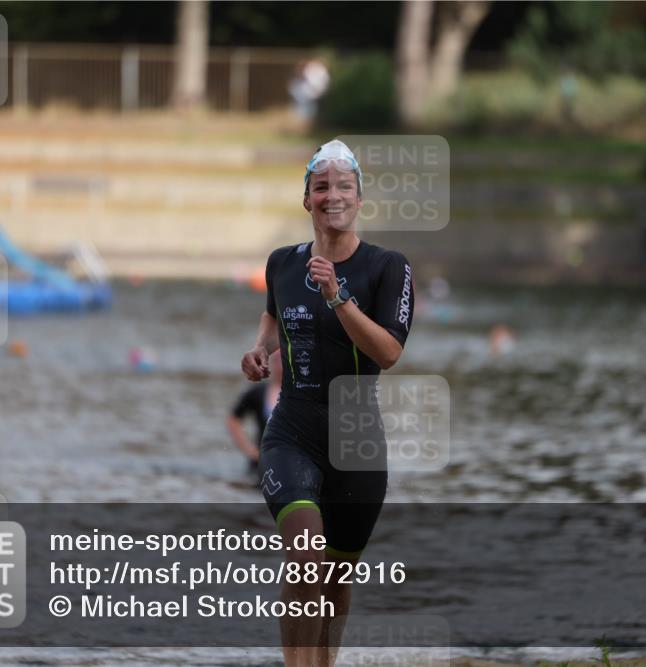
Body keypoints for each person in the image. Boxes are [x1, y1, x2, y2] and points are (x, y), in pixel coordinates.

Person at [239, 140, 414, 667]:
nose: (332, 195)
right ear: (307, 200)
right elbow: (275, 317)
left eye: (343, 187)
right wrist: (260, 349)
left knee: (335, 579)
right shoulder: (283, 263)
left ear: (359, 199)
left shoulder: (387, 267)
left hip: (357, 440)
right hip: (292, 429)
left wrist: (338, 296)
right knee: (305, 557)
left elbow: (388, 353)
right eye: (321, 187)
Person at [226, 353, 282, 477]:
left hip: (288, 462)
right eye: (277, 360)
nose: (280, 365)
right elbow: (233, 419)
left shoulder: (301, 395)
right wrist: (249, 450)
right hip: (260, 464)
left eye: (283, 360)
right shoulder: (258, 392)